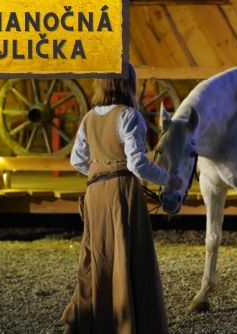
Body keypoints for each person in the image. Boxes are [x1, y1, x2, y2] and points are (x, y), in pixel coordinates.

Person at [62, 64, 182, 334]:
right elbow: (137, 164)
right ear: (127, 84)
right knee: (128, 257)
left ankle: (97, 321)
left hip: (95, 194)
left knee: (98, 257)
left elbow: (77, 160)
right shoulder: (129, 116)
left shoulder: (89, 118)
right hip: (122, 195)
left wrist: (101, 171)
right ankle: (129, 323)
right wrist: (167, 179)